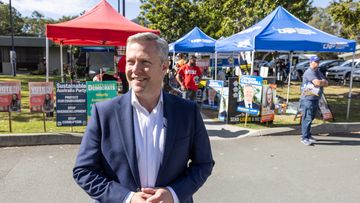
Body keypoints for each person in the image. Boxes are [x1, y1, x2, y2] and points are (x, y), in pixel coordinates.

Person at [73, 32, 214, 203]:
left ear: (164, 67)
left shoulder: (187, 112)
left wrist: (173, 194)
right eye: (130, 62)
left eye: (145, 62)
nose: (135, 70)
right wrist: (127, 198)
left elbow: (203, 163)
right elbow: (84, 171)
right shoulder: (103, 113)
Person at [300, 55, 328, 146]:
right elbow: (317, 82)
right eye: (315, 62)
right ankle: (304, 138)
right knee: (307, 118)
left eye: (318, 61)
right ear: (310, 62)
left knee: (311, 118)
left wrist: (321, 82)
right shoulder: (309, 72)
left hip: (315, 98)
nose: (317, 63)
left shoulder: (318, 72)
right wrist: (321, 82)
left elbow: (326, 83)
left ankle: (308, 135)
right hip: (308, 99)